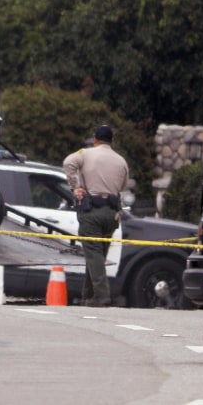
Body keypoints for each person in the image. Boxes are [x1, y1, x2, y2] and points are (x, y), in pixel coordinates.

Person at [62, 124, 129, 307]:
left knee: (93, 255)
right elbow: (123, 186)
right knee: (98, 255)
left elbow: (68, 162)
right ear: (112, 141)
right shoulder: (121, 161)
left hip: (92, 211)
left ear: (95, 140)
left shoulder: (85, 153)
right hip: (112, 214)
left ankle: (102, 296)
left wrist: (76, 187)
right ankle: (88, 295)